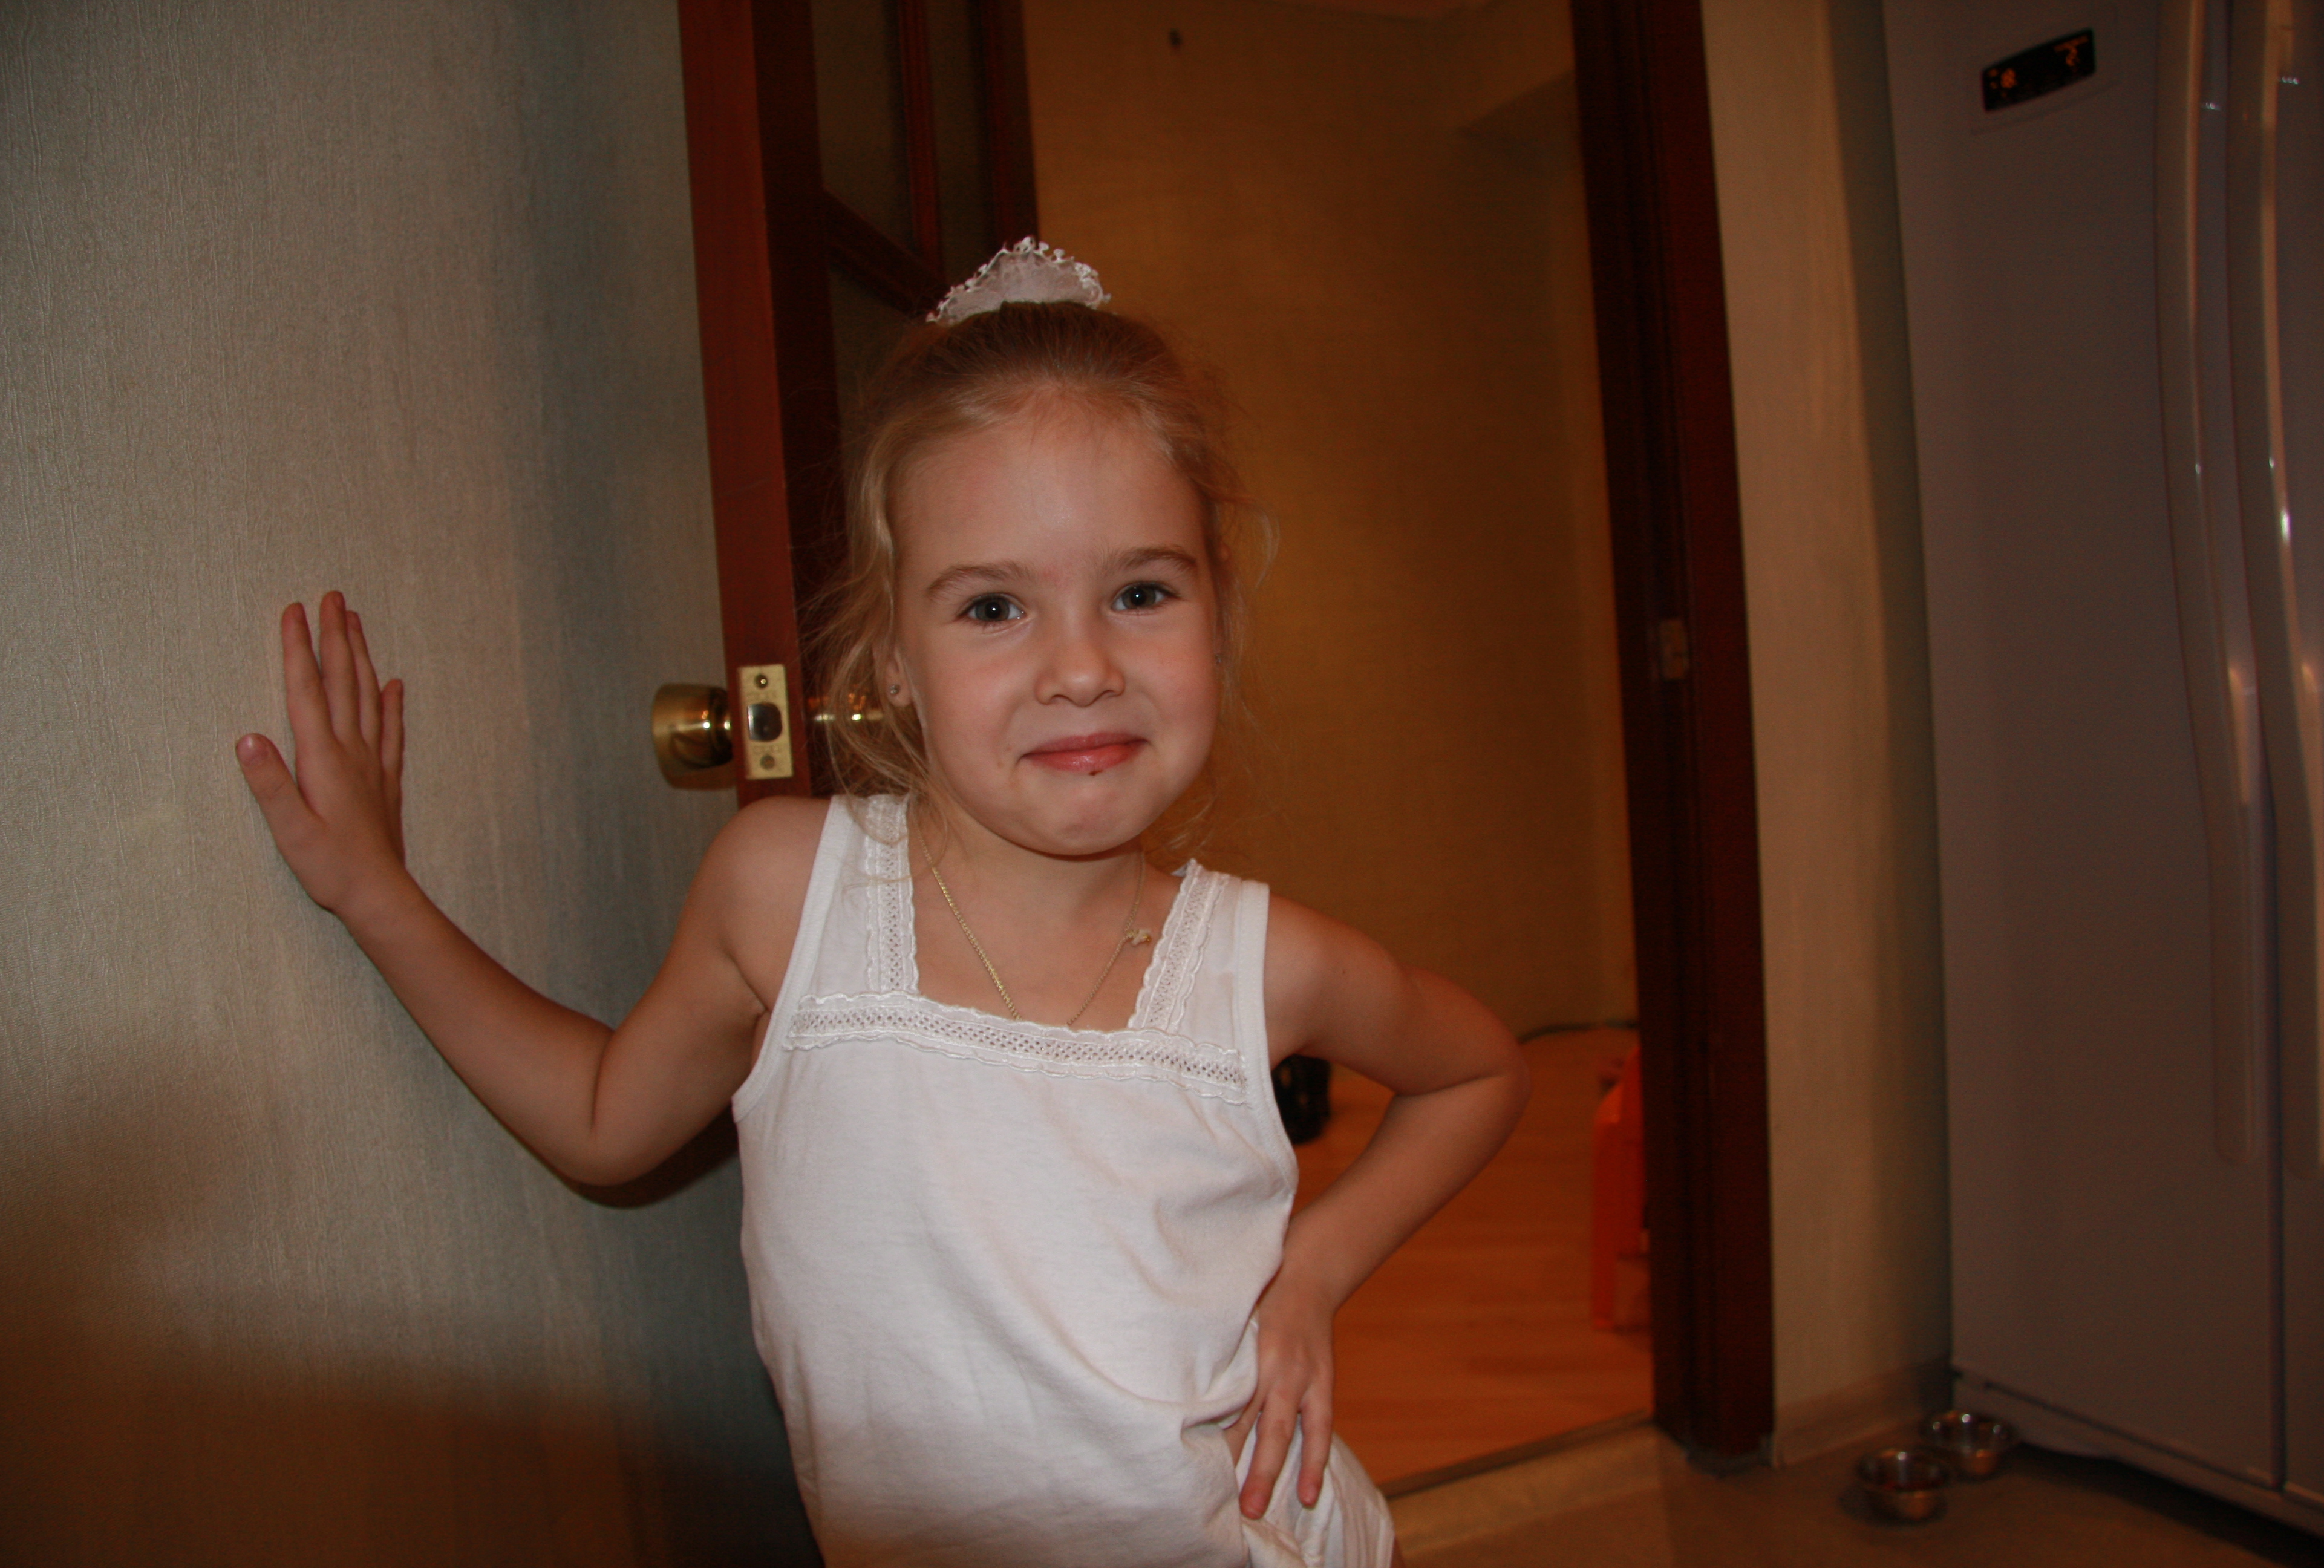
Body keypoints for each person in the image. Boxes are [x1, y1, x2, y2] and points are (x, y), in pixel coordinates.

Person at [235, 241, 1529, 1568]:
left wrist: (1311, 1273)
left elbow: (1478, 1070)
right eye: (994, 606)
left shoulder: (1265, 966)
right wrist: (374, 893)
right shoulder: (788, 896)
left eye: (1141, 592)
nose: (1081, 666)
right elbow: (603, 1122)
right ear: (892, 657)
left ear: (1218, 618)